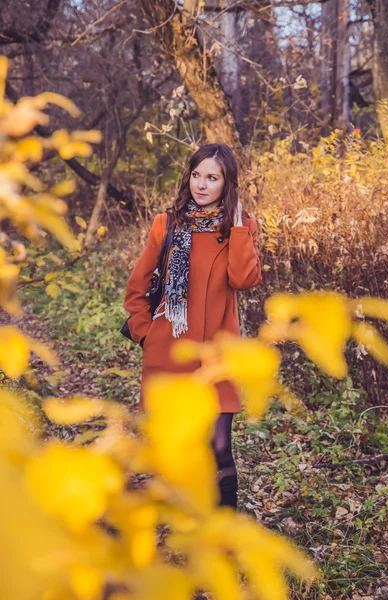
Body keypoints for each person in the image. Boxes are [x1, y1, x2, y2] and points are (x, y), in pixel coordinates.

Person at [123, 143, 262, 509]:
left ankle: (224, 533)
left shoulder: (241, 229)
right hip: (170, 351)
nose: (201, 185)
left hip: (217, 355)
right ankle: (187, 528)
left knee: (219, 448)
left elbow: (244, 279)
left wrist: (238, 230)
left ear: (226, 184)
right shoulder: (166, 224)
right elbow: (137, 287)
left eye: (212, 177)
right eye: (197, 175)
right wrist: (144, 333)